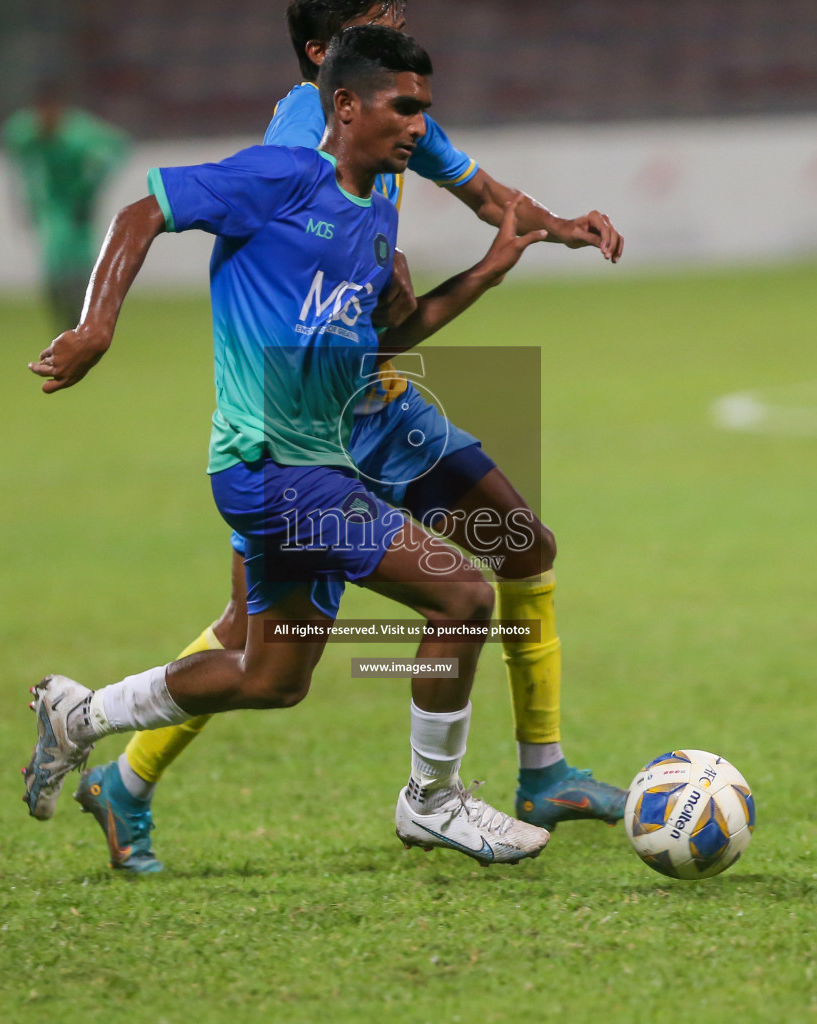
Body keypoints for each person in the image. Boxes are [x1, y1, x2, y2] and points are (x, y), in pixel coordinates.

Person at [74, 0, 628, 874]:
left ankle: (543, 773)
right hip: (305, 429)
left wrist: (545, 231)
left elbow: (484, 195)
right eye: (380, 18)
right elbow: (207, 227)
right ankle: (131, 776)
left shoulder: (392, 135)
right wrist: (101, 324)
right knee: (281, 640)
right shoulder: (303, 141)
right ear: (329, 66)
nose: (416, 115)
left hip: (374, 399)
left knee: (517, 548)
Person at [1, 81, 130, 331]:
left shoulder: (80, 133)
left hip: (79, 200)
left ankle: (83, 319)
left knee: (81, 259)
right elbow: (22, 168)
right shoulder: (22, 131)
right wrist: (26, 202)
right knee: (55, 256)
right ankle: (64, 319)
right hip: (52, 202)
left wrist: (94, 187)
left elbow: (117, 147)